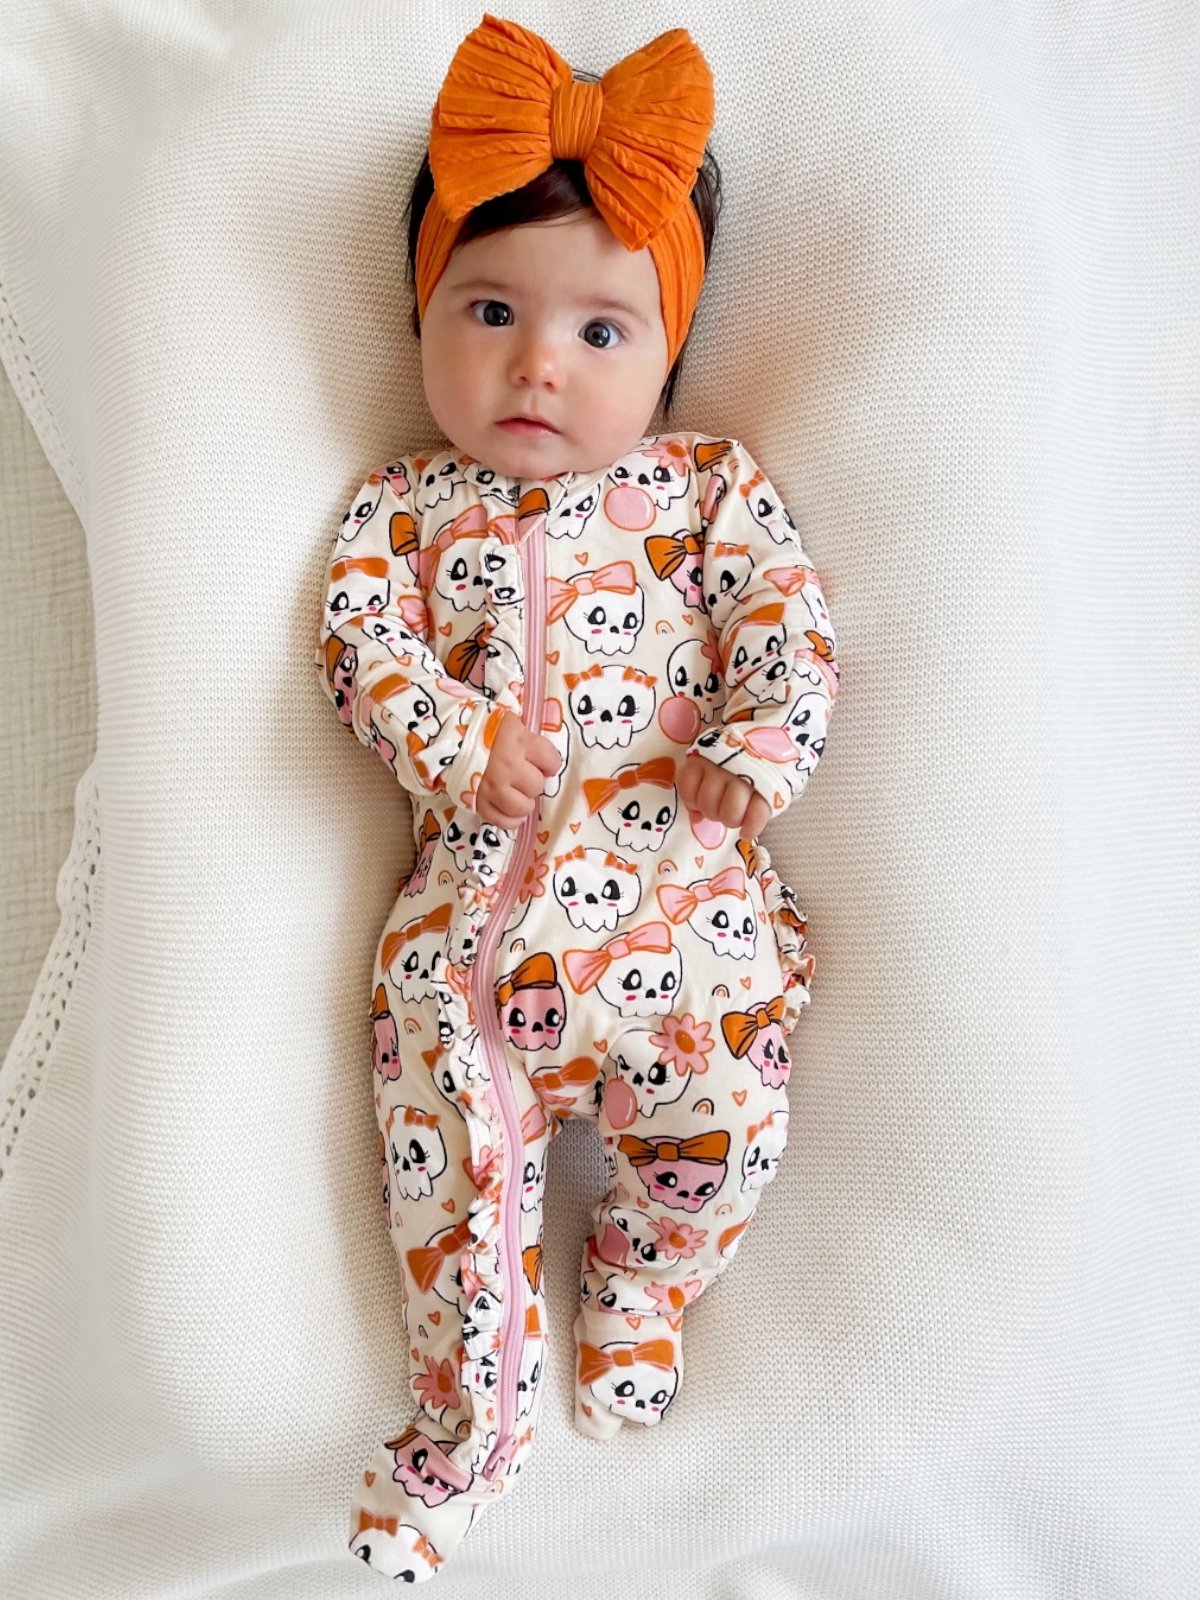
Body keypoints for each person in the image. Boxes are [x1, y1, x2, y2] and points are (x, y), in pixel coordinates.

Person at [317, 14, 838, 1582]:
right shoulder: (405, 508)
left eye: (600, 332)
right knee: (447, 1191)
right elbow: (358, 643)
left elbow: (788, 626)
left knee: (733, 1121)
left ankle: (642, 1282)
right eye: (490, 310)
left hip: (687, 931)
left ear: (667, 352)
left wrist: (761, 745)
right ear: (425, 324)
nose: (539, 361)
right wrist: (452, 733)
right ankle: (458, 1443)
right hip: (470, 949)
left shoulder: (706, 492)